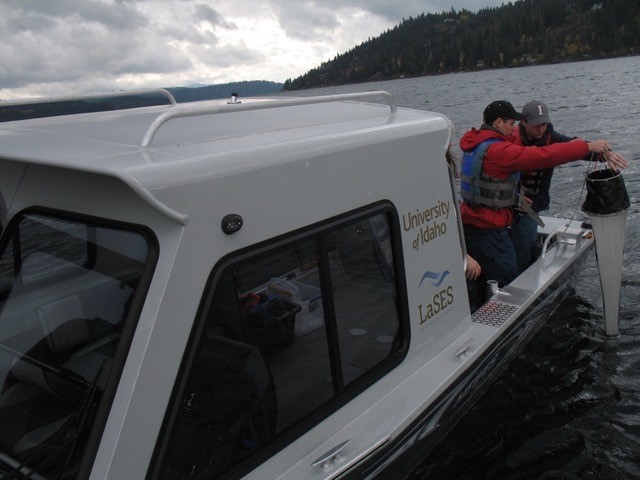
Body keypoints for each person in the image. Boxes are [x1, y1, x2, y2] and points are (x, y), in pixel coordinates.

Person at [459, 100, 614, 312]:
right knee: (509, 281)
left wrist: (514, 197)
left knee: (479, 281)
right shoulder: (499, 150)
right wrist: (585, 147)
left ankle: (475, 309)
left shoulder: (476, 143)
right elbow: (542, 156)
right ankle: (504, 323)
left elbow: (486, 184)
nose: (514, 128)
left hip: (470, 224)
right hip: (489, 231)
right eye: (512, 123)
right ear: (498, 122)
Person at [510, 100, 629, 272]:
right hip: (508, 204)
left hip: (531, 208)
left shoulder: (549, 136)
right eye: (536, 125)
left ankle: (523, 268)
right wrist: (513, 195)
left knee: (524, 244)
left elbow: (572, 145)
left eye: (544, 124)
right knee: (514, 252)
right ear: (523, 122)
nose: (541, 129)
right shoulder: (510, 141)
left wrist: (604, 154)